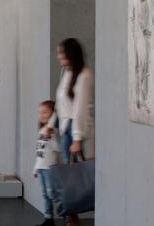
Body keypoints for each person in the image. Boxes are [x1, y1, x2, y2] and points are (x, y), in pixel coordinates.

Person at [54, 38, 95, 226]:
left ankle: (78, 217)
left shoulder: (84, 74)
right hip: (65, 128)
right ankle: (72, 219)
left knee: (82, 175)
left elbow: (80, 108)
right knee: (71, 179)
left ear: (71, 54)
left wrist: (77, 137)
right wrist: (50, 126)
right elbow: (61, 105)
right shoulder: (66, 72)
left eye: (62, 53)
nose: (59, 56)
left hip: (77, 129)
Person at [34, 100, 60, 226]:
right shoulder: (41, 131)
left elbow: (57, 148)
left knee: (52, 193)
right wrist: (35, 168)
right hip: (41, 168)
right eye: (40, 113)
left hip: (50, 168)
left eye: (45, 112)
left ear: (52, 114)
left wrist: (52, 137)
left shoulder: (53, 131)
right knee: (45, 194)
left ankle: (66, 214)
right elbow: (39, 152)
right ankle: (48, 218)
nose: (42, 115)